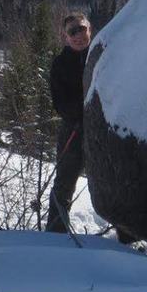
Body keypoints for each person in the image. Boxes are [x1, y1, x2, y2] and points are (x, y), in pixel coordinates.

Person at [45, 12, 91, 233]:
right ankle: (55, 232)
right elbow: (59, 102)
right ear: (65, 36)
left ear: (89, 29)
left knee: (115, 181)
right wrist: (79, 117)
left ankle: (127, 238)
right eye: (73, 31)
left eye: (81, 29)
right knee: (64, 182)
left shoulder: (101, 54)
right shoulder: (61, 64)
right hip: (74, 128)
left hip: (103, 128)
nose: (78, 35)